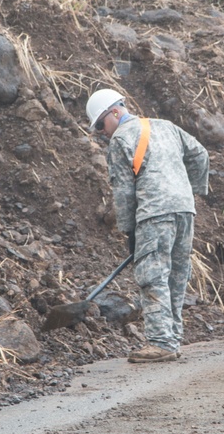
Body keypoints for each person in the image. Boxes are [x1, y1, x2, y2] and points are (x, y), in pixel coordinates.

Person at [86, 89, 209, 363]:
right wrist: (191, 190)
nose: (102, 133)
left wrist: (129, 230)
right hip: (184, 211)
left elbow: (124, 190)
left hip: (154, 212)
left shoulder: (120, 139)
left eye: (101, 125)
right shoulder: (166, 126)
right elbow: (200, 154)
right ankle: (172, 338)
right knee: (176, 274)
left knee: (151, 275)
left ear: (115, 112)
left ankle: (161, 343)